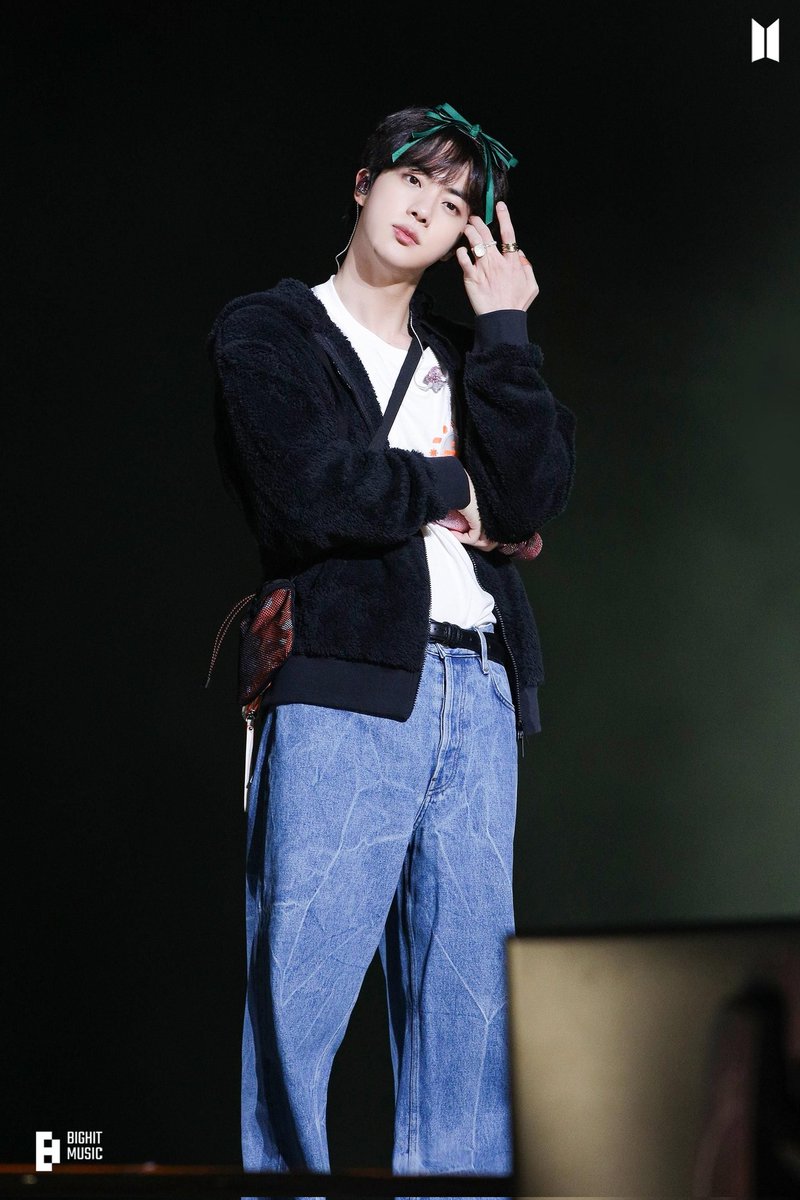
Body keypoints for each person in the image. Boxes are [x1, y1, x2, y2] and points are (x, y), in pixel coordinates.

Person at [207, 101, 576, 1186]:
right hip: (341, 684)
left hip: (479, 688)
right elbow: (310, 491)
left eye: (455, 202)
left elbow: (536, 493)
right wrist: (456, 487)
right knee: (301, 991)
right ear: (365, 183)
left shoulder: (464, 356)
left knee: (470, 1009)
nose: (427, 207)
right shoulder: (270, 331)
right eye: (413, 179)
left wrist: (504, 330)